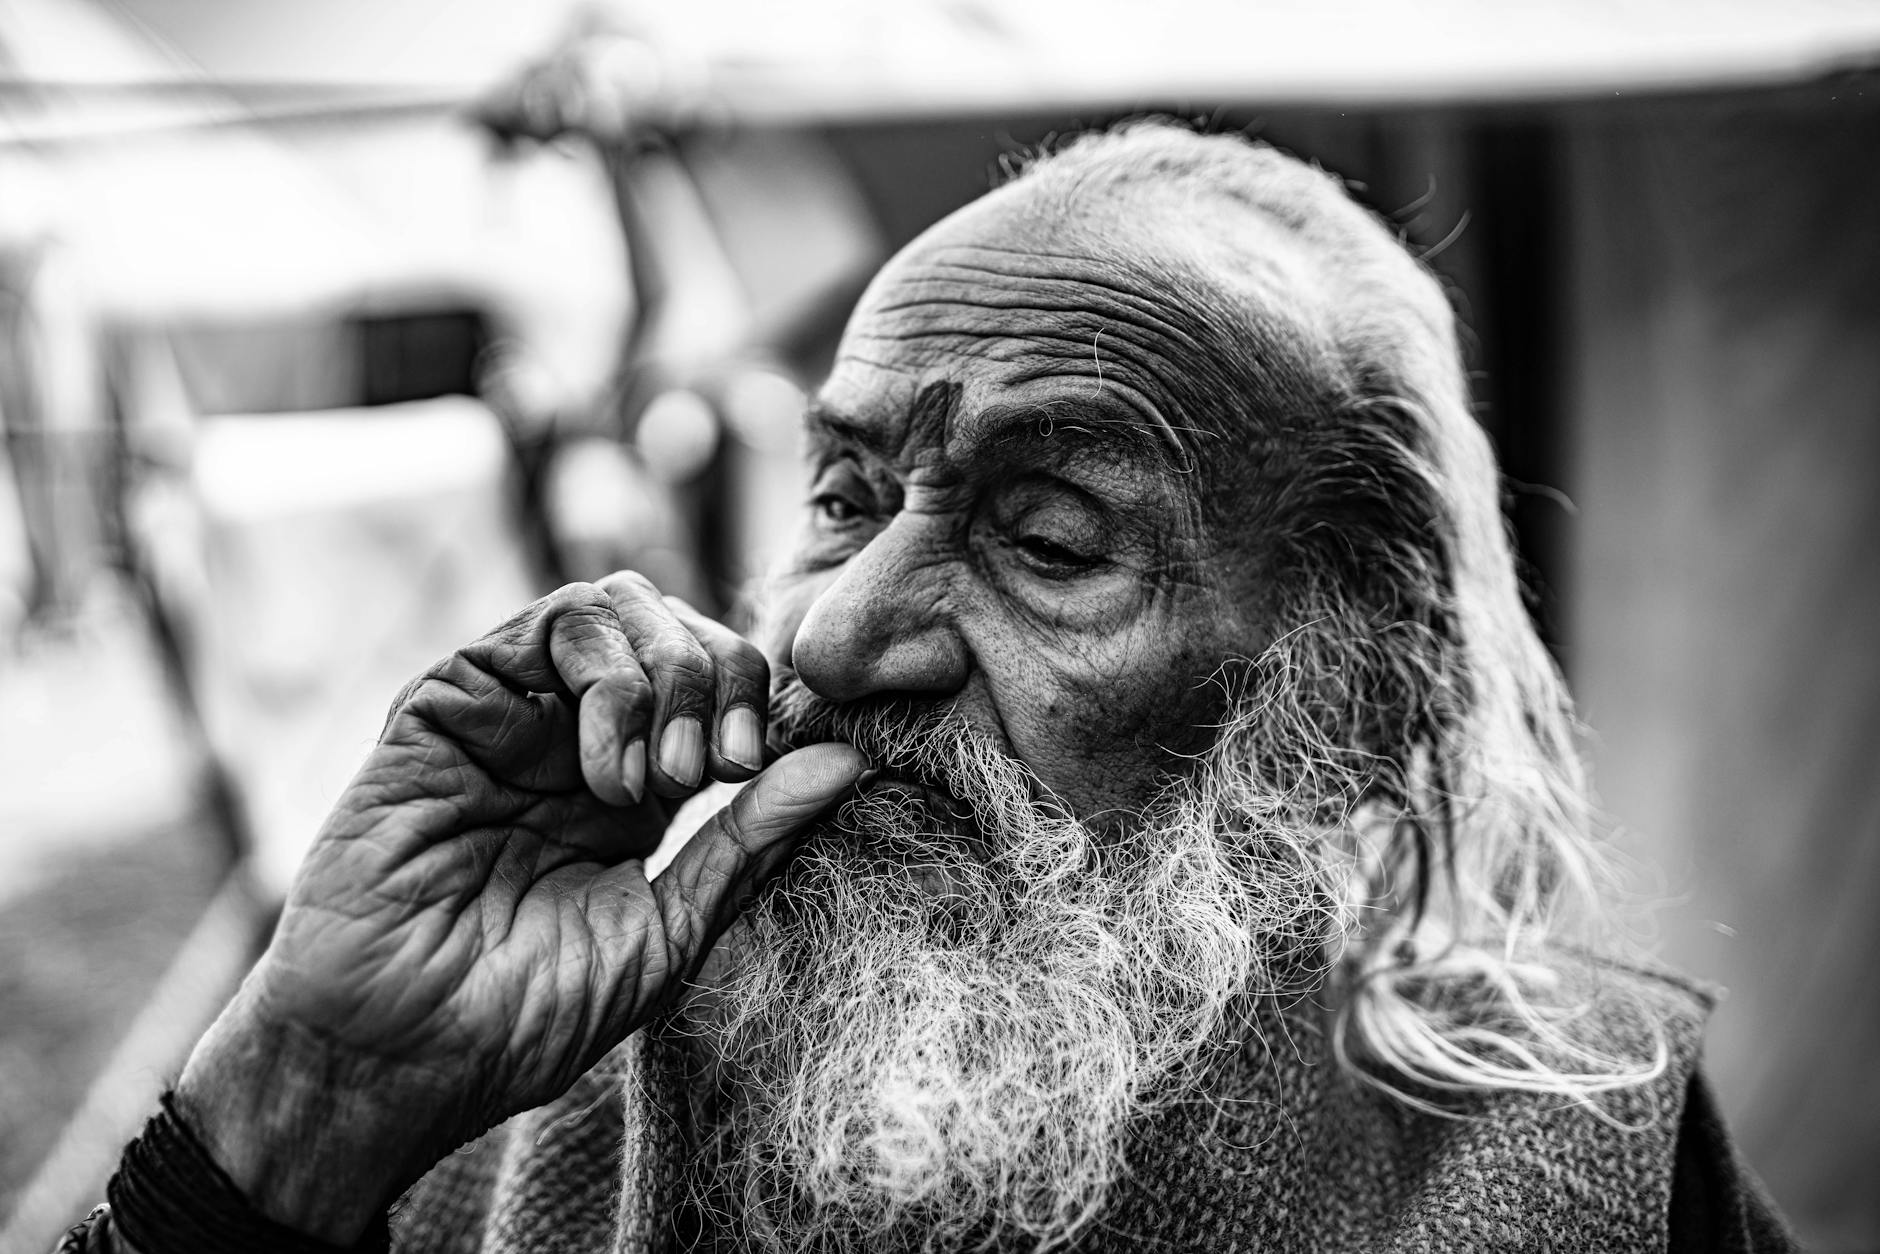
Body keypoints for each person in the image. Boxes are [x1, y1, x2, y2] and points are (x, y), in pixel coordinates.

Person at [58, 121, 1796, 1254]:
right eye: (844, 495)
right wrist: (299, 1100)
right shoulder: (483, 1099)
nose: (831, 639)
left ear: (1348, 704)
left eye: (1048, 537)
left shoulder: (1573, 1154)